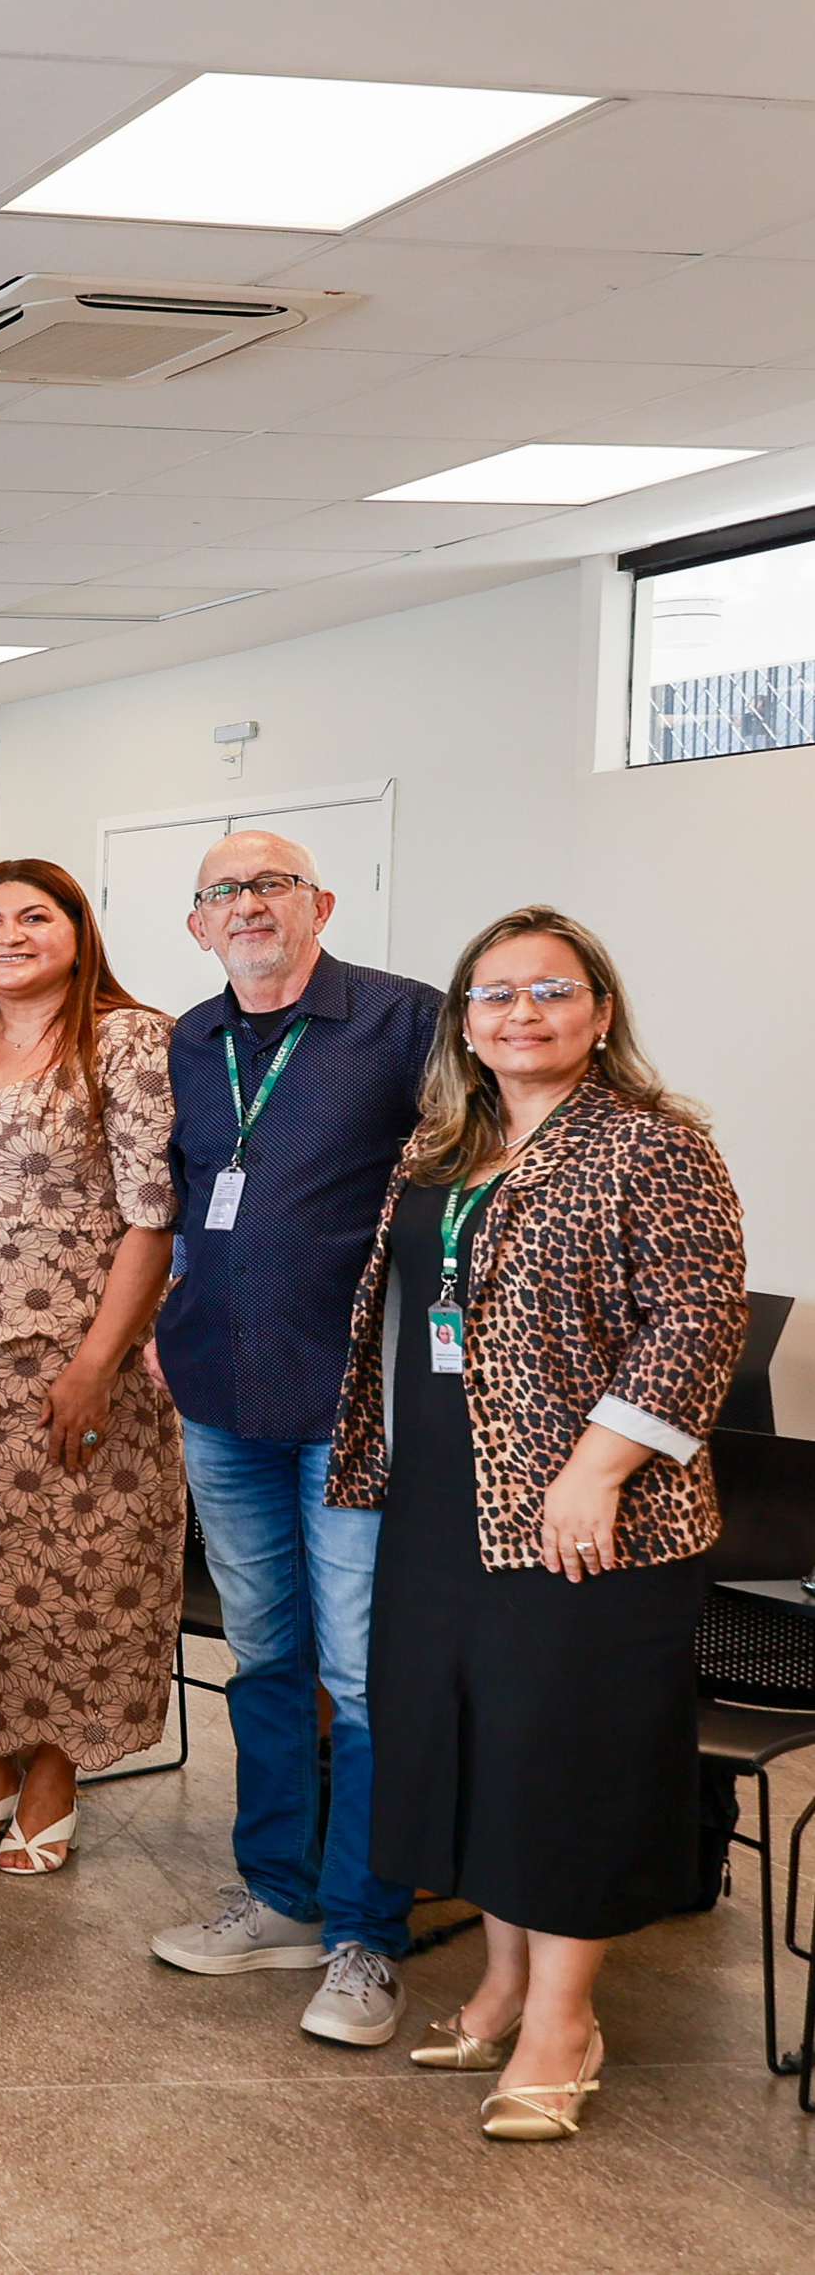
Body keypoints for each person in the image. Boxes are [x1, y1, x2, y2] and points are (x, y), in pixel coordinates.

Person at [332, 909, 742, 2142]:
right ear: (464, 1022)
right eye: (495, 993)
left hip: (583, 1513)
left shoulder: (651, 1143)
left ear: (600, 1013)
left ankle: (566, 2023)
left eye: (551, 990)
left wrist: (598, 1468)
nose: (522, 1013)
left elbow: (698, 1318)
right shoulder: (444, 1146)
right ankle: (504, 1983)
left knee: (561, 1757)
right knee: (472, 1742)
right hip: (442, 1498)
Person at [139, 834, 443, 2049]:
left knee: (361, 1677)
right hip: (220, 1394)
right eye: (224, 891)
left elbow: (468, 1177)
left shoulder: (405, 1023)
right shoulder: (191, 1039)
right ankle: (279, 1897)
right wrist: (165, 1319)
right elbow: (185, 1189)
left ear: (319, 903)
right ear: (199, 924)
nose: (248, 904)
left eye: (271, 885)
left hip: (350, 1404)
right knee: (264, 1656)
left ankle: (367, 1934)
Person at [0, 860, 181, 1877]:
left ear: (78, 930)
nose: (8, 935)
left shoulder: (127, 1038)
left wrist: (98, 1362)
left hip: (73, 1355)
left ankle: (54, 1771)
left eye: (34, 916)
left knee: (74, 1574)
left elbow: (154, 1214)